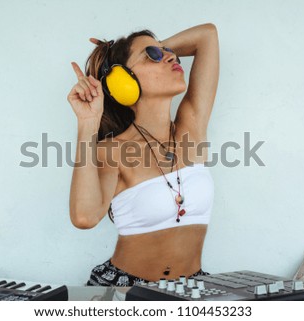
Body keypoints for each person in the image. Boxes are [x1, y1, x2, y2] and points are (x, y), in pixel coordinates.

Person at [67, 23, 219, 286]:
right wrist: (88, 124)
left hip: (191, 289)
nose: (171, 56)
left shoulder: (190, 129)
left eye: (169, 51)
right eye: (152, 55)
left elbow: (207, 35)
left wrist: (155, 49)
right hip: (125, 291)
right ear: (122, 81)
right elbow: (84, 217)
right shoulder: (112, 151)